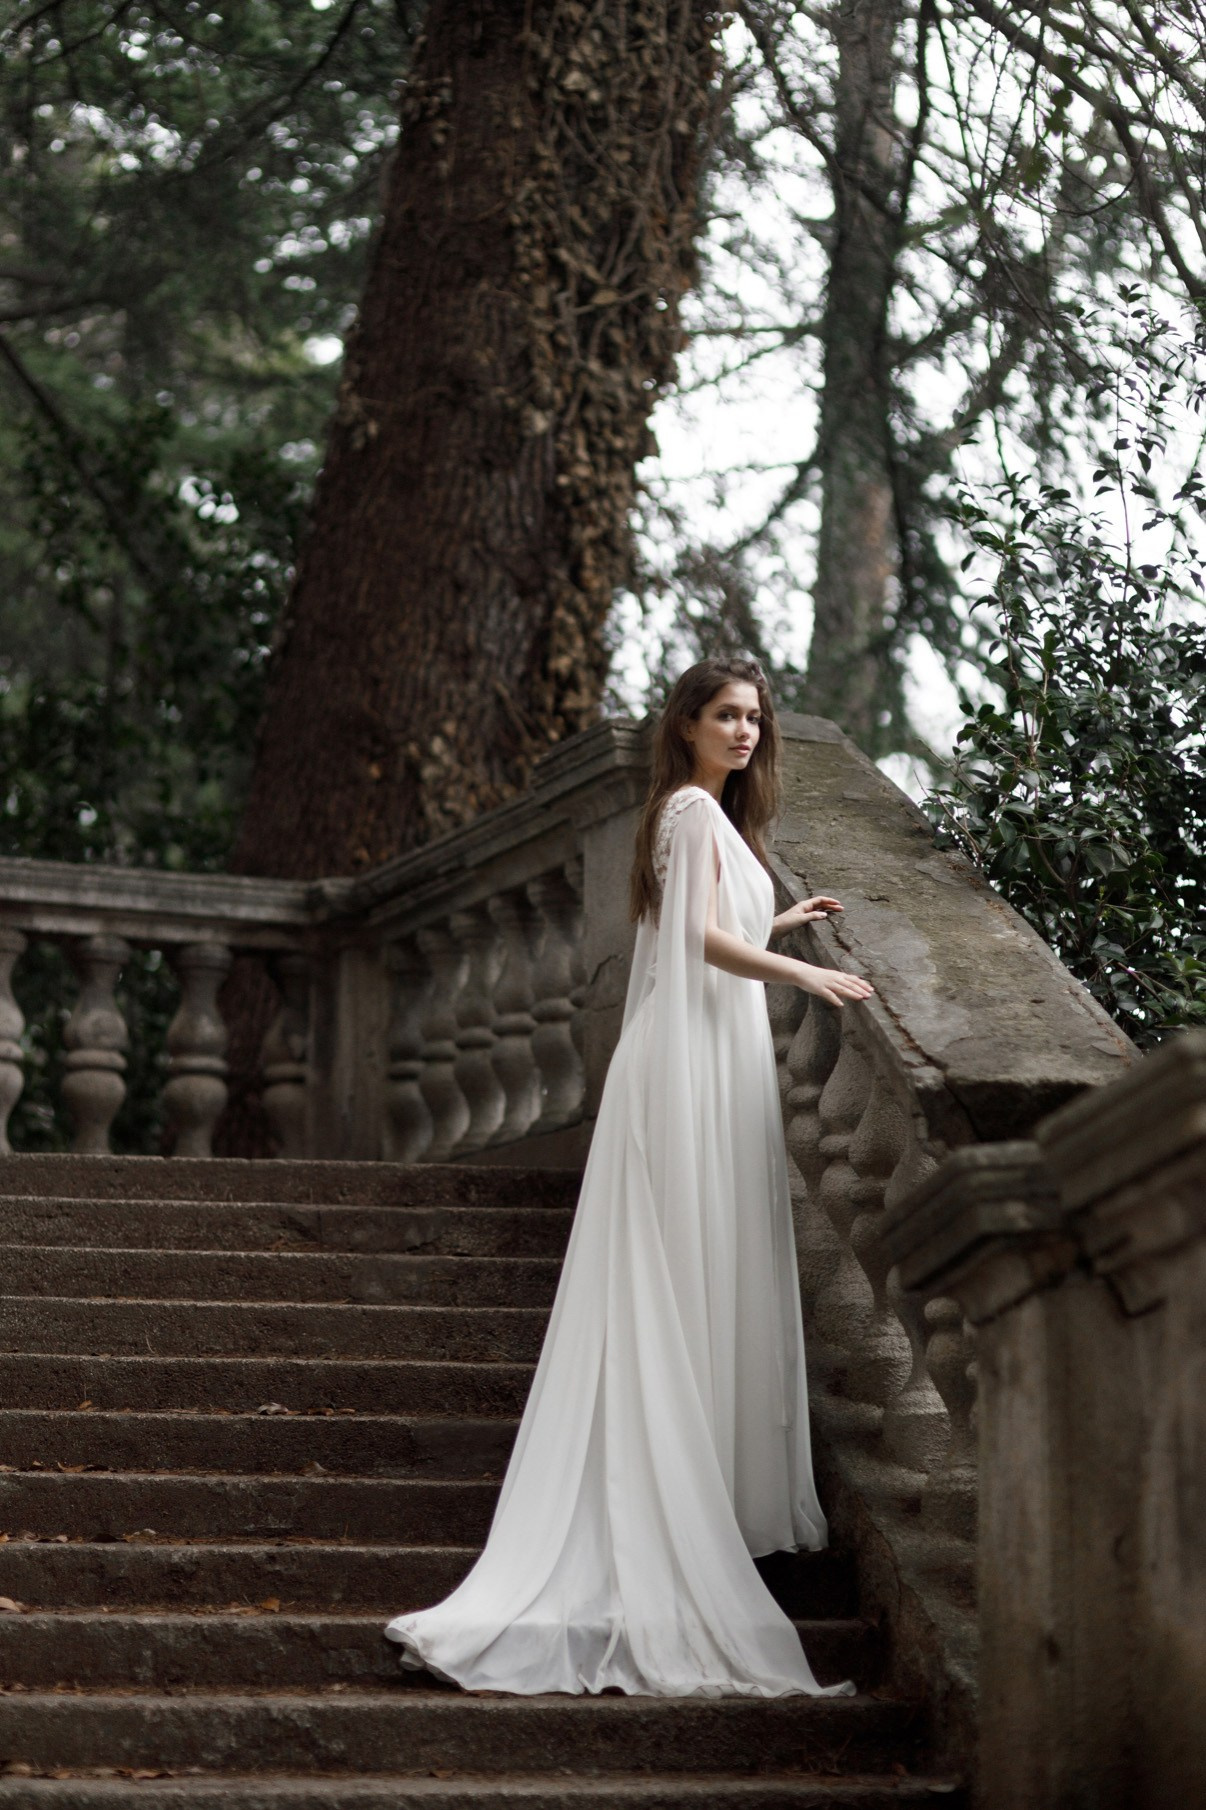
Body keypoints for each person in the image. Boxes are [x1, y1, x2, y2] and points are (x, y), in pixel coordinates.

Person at [385, 657, 874, 1697]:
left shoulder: (697, 817)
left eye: (754, 716)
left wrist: (780, 920)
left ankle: (691, 1501)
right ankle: (665, 1520)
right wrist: (804, 968)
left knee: (696, 1266)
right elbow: (696, 944)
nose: (744, 731)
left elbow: (696, 931)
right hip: (691, 1058)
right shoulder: (694, 813)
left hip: (700, 1050)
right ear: (688, 724)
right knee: (680, 1267)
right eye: (725, 714)